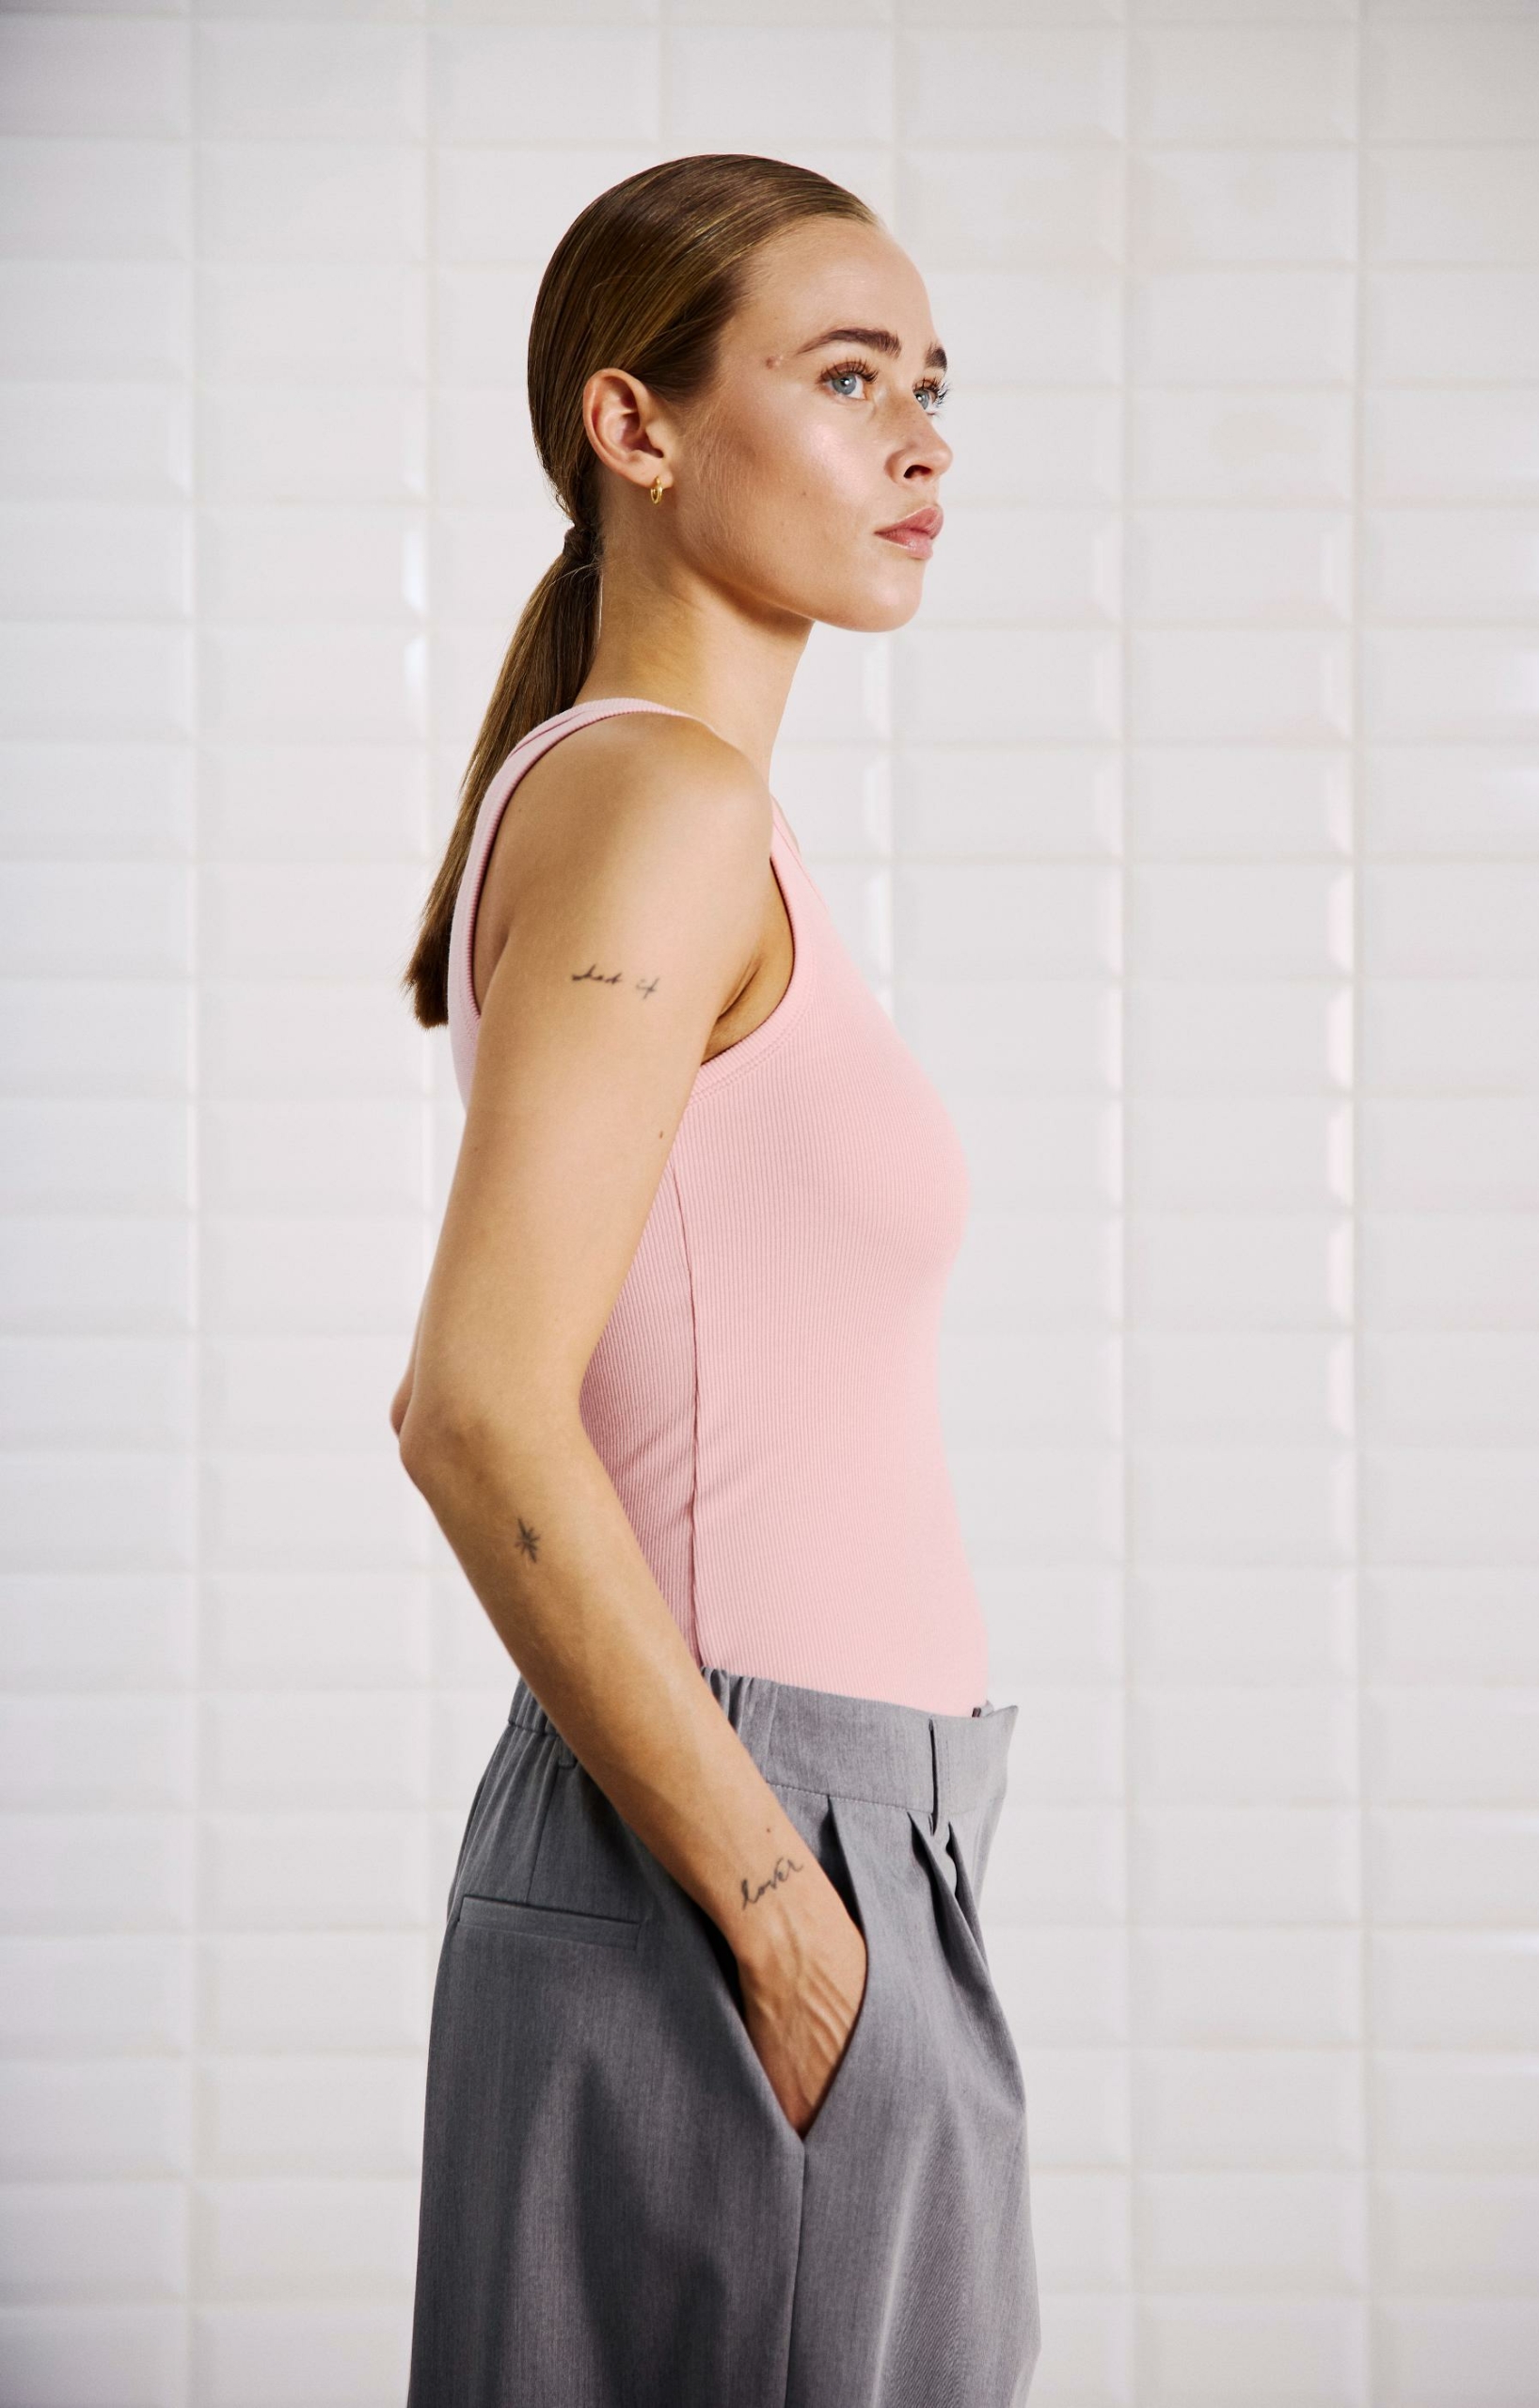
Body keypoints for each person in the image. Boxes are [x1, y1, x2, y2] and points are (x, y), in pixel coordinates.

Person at [392, 150, 1040, 2408]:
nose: (919, 440)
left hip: (804, 1831)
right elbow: (475, 1408)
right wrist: (788, 1923)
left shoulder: (676, 810)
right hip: (748, 1835)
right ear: (633, 425)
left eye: (931, 384)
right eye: (845, 378)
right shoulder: (659, 803)